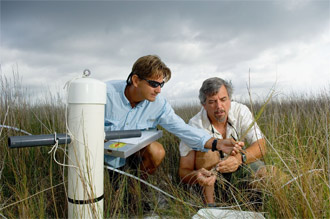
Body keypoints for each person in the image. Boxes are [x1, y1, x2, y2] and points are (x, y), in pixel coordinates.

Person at [104, 55, 242, 178]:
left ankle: (136, 190)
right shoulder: (104, 94)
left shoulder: (159, 104)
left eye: (161, 84)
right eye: (153, 84)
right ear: (135, 80)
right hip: (101, 158)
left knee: (157, 151)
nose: (158, 90)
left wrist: (217, 143)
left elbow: (181, 129)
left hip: (132, 156)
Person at [179, 77, 267, 206]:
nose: (219, 106)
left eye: (223, 99)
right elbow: (183, 171)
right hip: (208, 184)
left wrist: (239, 159)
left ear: (230, 99)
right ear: (204, 105)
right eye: (212, 102)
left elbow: (262, 145)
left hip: (239, 170)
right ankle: (211, 207)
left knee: (270, 175)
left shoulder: (240, 111)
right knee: (208, 152)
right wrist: (197, 176)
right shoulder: (194, 125)